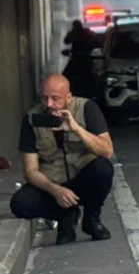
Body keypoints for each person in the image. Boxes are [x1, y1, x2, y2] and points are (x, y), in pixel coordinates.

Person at [10, 74, 114, 245]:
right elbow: (30, 171)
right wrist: (55, 190)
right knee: (20, 203)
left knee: (103, 168)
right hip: (52, 183)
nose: (49, 104)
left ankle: (92, 218)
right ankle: (66, 216)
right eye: (44, 98)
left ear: (68, 97)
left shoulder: (86, 108)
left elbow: (107, 151)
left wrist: (76, 128)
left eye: (55, 98)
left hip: (82, 180)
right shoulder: (31, 118)